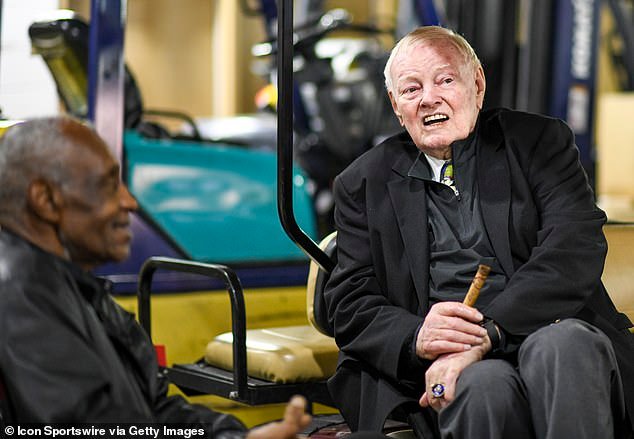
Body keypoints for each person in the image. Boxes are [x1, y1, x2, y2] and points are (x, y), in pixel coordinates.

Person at [323, 25, 634, 438]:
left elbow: (572, 249)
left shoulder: (538, 143)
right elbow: (349, 301)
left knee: (563, 345)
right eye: (411, 89)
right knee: (482, 386)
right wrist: (418, 335)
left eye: (445, 80)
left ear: (478, 85)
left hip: (550, 328)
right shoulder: (363, 182)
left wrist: (489, 332)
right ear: (396, 106)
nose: (429, 98)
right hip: (447, 365)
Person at [0, 116, 313, 438]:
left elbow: (154, 409)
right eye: (108, 185)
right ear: (46, 200)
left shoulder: (71, 285)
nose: (129, 202)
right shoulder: (22, 295)